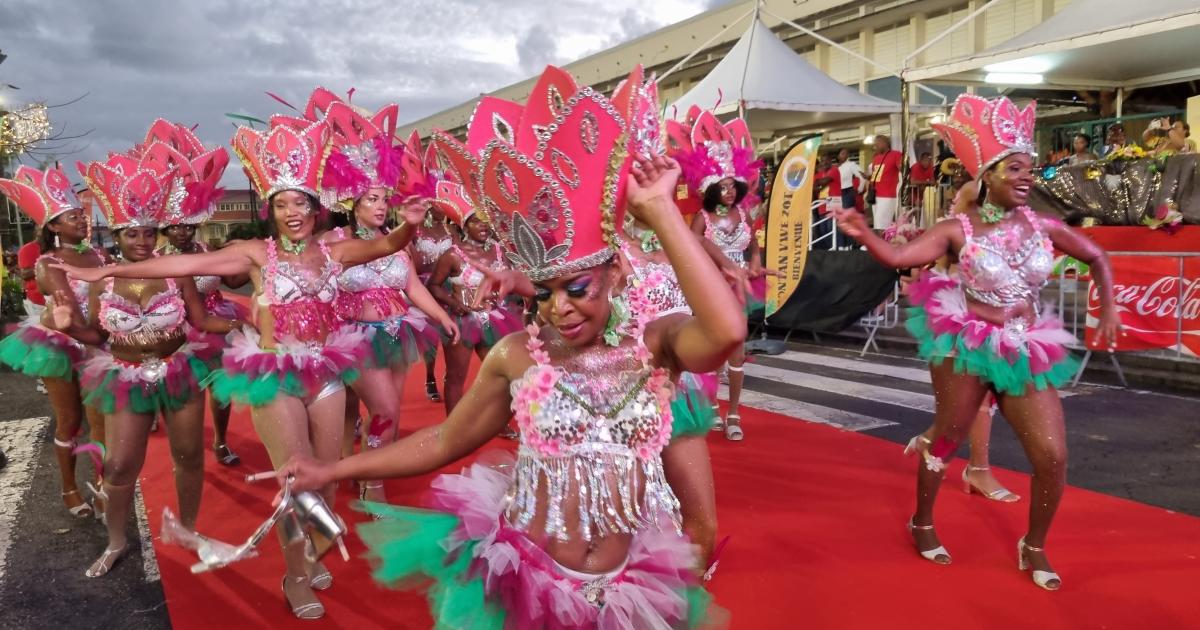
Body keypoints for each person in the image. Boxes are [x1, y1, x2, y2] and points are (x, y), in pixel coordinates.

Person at [278, 64, 739, 628]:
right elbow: (446, 439)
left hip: (624, 588)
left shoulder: (655, 344)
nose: (558, 308)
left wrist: (663, 211)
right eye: (544, 293)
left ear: (615, 271)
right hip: (531, 579)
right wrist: (335, 471)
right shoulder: (519, 353)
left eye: (577, 289)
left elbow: (726, 333)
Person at [57, 114, 426, 618]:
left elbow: (387, 244)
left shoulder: (335, 251)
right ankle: (294, 574)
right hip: (275, 376)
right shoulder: (256, 253)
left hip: (327, 371)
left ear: (316, 208)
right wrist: (114, 268)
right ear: (271, 210)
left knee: (328, 476)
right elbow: (182, 266)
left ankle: (311, 550)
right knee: (297, 480)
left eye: (299, 202)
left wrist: (411, 220)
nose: (291, 211)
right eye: (281, 203)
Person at [835, 95, 1121, 591]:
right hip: (967, 343)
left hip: (1026, 346)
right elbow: (901, 256)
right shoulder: (956, 230)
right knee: (948, 437)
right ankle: (921, 521)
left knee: (1052, 456)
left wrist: (1111, 307)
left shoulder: (1046, 227)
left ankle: (1033, 545)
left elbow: (1096, 256)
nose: (1027, 176)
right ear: (987, 175)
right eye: (1015, 168)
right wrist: (863, 234)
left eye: (1031, 169)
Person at [55, 152, 244, 578]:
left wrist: (246, 322)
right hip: (126, 375)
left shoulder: (178, 274)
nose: (142, 240)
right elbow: (96, 335)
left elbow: (200, 320)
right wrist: (69, 326)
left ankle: (189, 530)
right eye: (132, 233)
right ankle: (117, 540)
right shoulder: (104, 279)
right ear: (117, 235)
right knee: (121, 464)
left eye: (148, 232)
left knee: (189, 455)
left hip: (178, 369)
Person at [315, 91, 457, 505]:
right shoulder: (333, 242)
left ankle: (358, 470)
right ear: (351, 204)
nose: (380, 207)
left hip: (399, 333)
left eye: (383, 199)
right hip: (354, 339)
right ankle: (372, 485)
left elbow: (411, 287)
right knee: (386, 411)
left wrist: (441, 317)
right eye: (371, 200)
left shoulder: (395, 242)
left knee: (379, 413)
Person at [0, 165, 107, 520]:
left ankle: (104, 487)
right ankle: (69, 488)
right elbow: (74, 316)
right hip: (62, 345)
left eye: (81, 214)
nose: (81, 219)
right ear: (54, 226)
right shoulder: (48, 263)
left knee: (102, 420)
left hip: (97, 341)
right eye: (71, 216)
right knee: (70, 420)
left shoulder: (101, 257)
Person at [142, 120, 250, 467]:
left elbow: (230, 282)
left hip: (216, 325)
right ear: (164, 229)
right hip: (176, 331)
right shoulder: (157, 261)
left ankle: (220, 440)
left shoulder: (208, 251)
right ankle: (178, 436)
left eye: (187, 226)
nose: (182, 232)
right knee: (179, 393)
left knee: (220, 390)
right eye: (174, 227)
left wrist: (255, 261)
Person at [669, 105, 767, 441]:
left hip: (739, 287)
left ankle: (735, 413)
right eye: (722, 187)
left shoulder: (743, 214)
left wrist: (754, 264)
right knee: (711, 350)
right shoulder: (703, 218)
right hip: (709, 288)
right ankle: (712, 409)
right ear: (711, 189)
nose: (727, 191)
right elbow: (692, 246)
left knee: (737, 352)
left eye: (731, 185)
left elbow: (753, 245)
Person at [868, 134, 903, 231]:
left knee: (882, 224)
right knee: (877, 222)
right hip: (875, 194)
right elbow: (876, 175)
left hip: (887, 195)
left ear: (885, 143)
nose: (875, 146)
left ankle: (882, 244)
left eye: (877, 144)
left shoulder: (896, 154)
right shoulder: (876, 158)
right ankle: (879, 243)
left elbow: (902, 169)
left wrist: (903, 166)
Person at [836, 148, 867, 212]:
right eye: (843, 153)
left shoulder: (851, 165)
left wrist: (860, 188)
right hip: (837, 193)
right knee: (839, 215)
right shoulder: (836, 168)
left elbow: (862, 176)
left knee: (847, 215)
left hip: (847, 192)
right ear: (838, 156)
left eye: (847, 154)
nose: (845, 155)